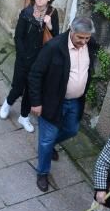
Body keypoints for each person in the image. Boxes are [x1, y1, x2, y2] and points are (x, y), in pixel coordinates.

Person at [28, 16, 97, 192]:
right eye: (80, 37)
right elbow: (35, 74)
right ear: (71, 31)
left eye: (87, 38)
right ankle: (42, 172)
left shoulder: (91, 45)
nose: (83, 42)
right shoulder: (54, 47)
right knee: (46, 140)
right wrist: (36, 102)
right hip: (52, 102)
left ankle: (49, 146)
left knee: (72, 130)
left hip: (75, 102)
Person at [0, 0, 59, 133]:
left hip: (40, 61)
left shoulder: (53, 13)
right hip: (24, 58)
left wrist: (50, 26)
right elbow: (18, 37)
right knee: (19, 87)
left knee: (31, 90)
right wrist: (23, 55)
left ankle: (24, 116)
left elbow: (56, 37)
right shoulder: (26, 13)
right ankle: (7, 103)